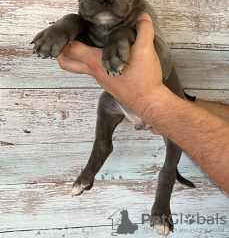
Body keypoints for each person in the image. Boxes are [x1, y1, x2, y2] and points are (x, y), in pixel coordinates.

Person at [57, 14, 229, 193]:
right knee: (106, 103)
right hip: (139, 100)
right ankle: (92, 165)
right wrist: (183, 102)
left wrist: (153, 104)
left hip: (159, 102)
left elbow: (164, 62)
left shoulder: (136, 13)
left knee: (172, 153)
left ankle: (162, 202)